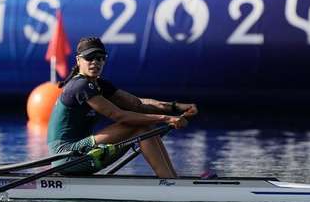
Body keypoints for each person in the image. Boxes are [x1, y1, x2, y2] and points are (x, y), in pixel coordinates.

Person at [46, 37, 198, 178]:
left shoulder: (100, 85)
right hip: (66, 156)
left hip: (83, 153)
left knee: (146, 125)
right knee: (140, 127)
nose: (95, 62)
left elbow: (138, 104)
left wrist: (177, 107)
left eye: (100, 58)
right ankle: (169, 182)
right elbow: (119, 115)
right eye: (90, 58)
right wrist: (166, 118)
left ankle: (171, 178)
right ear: (79, 60)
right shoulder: (79, 85)